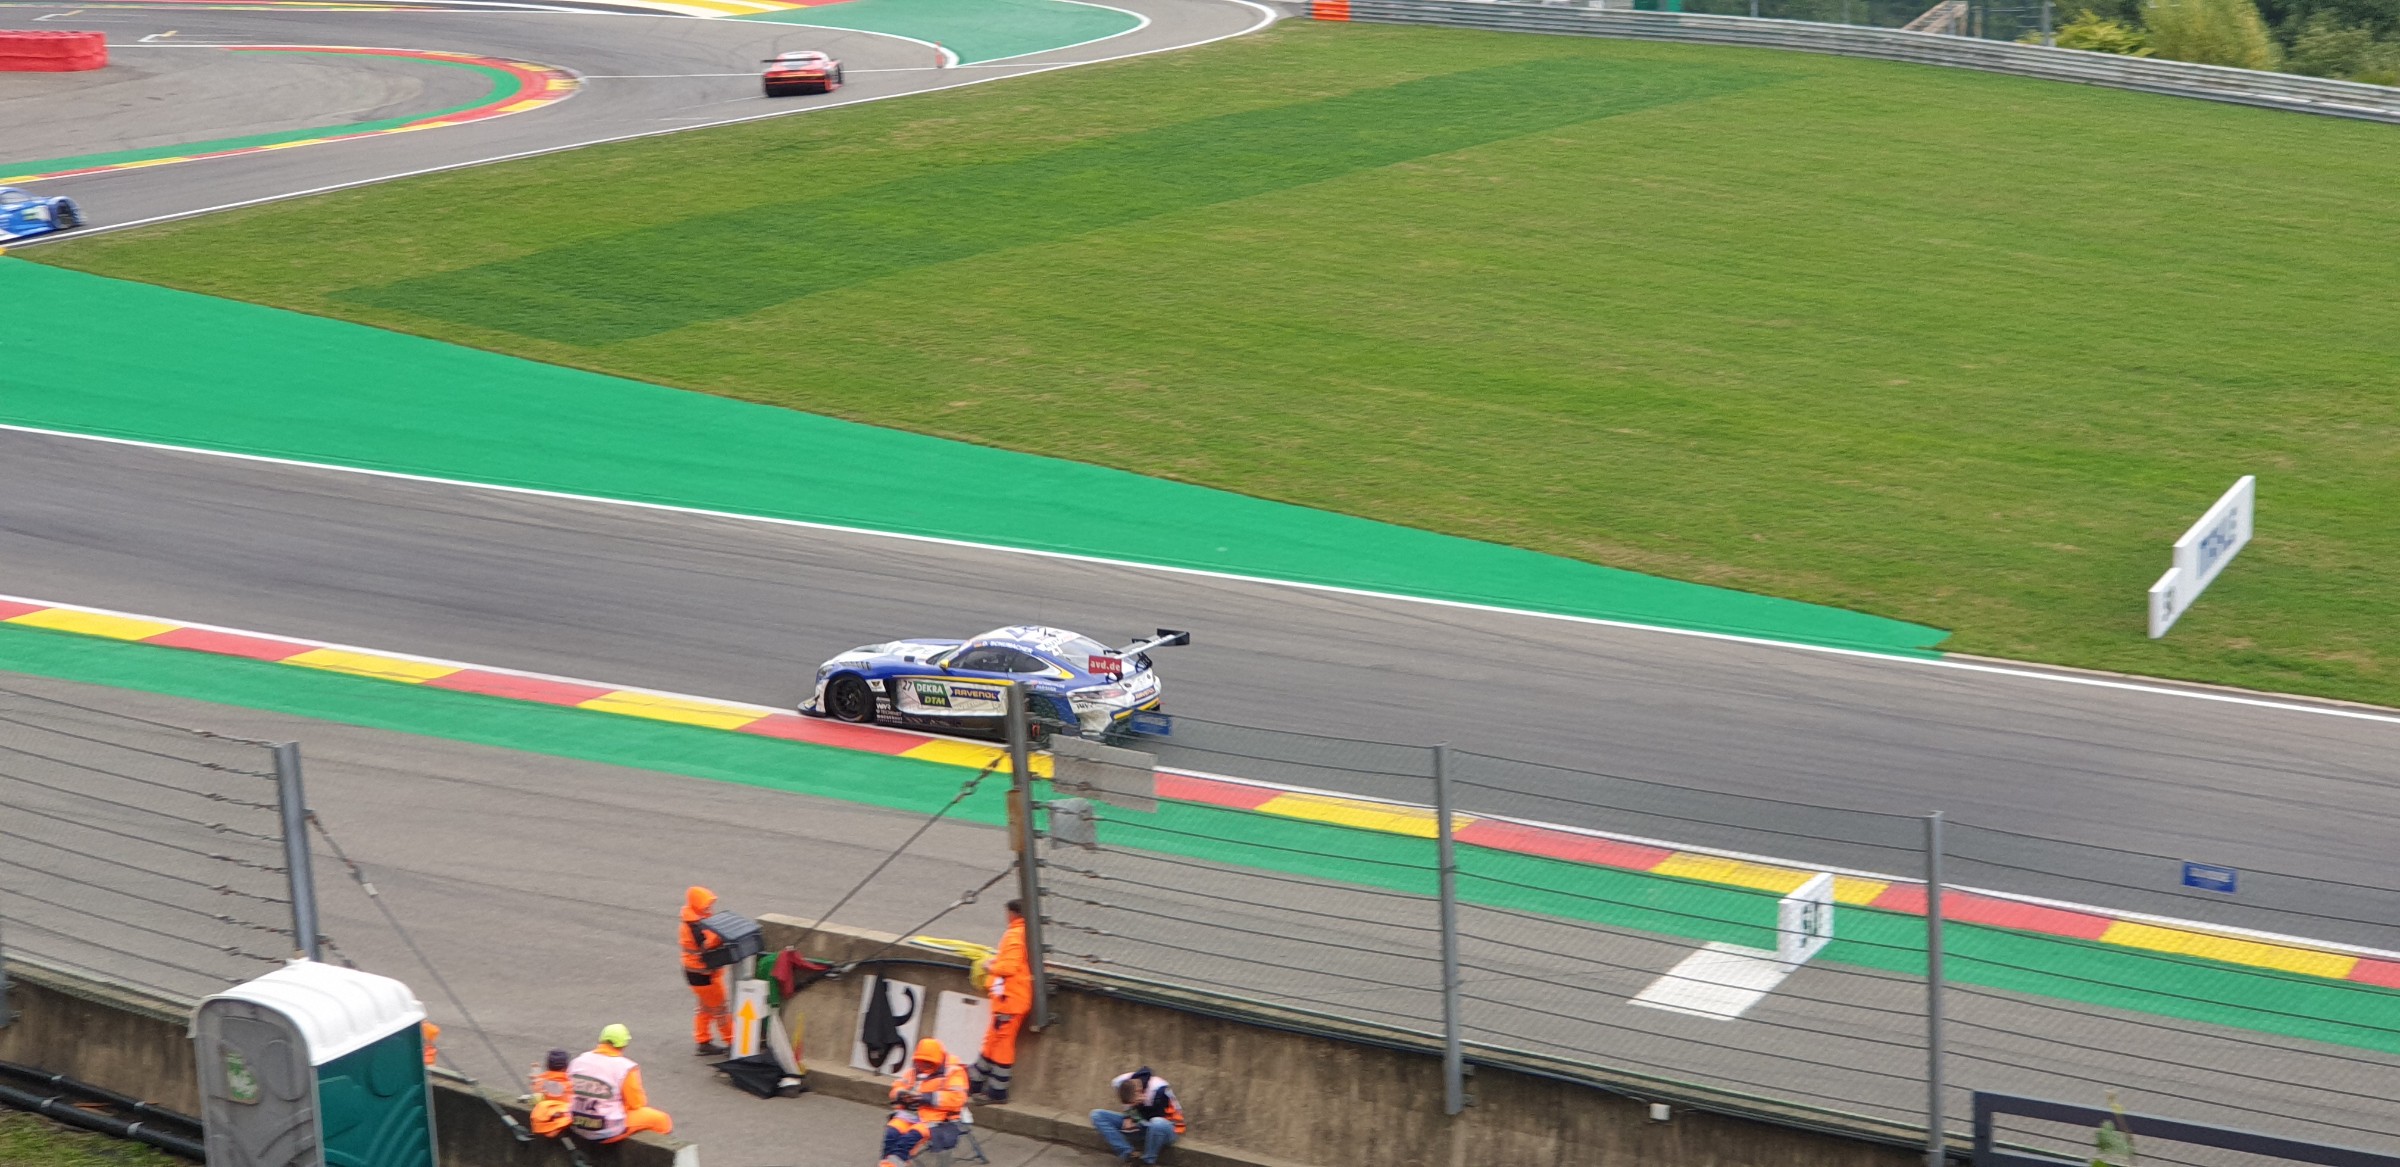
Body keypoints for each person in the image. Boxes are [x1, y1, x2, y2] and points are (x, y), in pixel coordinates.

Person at [968, 899, 1030, 1103]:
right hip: (1012, 999)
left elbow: (1009, 968)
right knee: (994, 1040)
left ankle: (996, 1091)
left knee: (1001, 1044)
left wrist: (990, 967)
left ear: (1012, 914)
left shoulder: (1015, 934)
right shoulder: (1027, 933)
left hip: (1009, 1000)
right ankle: (976, 1082)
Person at [568, 1024, 673, 1143]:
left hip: (575, 1122)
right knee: (662, 1120)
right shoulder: (625, 1067)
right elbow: (636, 1103)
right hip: (606, 1128)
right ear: (624, 1044)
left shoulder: (578, 1061)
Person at [879, 1038, 968, 1166]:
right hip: (909, 1115)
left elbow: (957, 1099)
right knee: (891, 1134)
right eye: (920, 1062)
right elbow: (897, 1087)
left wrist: (925, 1098)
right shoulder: (914, 1070)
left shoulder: (954, 1071)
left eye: (927, 1063)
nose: (923, 1066)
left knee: (907, 1141)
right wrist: (901, 1094)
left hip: (937, 1120)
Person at [1090, 1067, 1184, 1166]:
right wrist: (1128, 1116)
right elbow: (1127, 1102)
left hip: (1167, 1129)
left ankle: (1147, 1161)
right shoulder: (1121, 1081)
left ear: (1140, 1092)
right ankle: (1129, 1155)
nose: (1132, 1105)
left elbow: (1159, 1118)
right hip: (1142, 1124)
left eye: (1135, 1102)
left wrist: (1144, 1105)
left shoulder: (1159, 1090)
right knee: (1097, 1115)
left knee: (1157, 1123)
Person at [681, 886, 733, 1056]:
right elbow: (706, 945)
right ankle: (732, 1042)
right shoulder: (694, 926)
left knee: (705, 1008)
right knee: (720, 1010)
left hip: (699, 974)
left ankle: (703, 1041)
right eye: (706, 904)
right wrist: (720, 936)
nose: (709, 908)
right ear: (697, 904)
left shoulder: (695, 918)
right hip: (703, 975)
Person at [527, 1048, 574, 1138]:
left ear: (548, 1065)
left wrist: (536, 1071)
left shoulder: (540, 1082)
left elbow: (536, 1084)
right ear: (566, 1067)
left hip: (544, 1116)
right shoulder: (572, 1085)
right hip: (563, 1115)